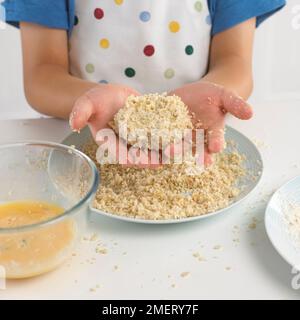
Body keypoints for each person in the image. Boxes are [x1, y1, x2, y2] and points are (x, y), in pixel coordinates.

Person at [2, 0, 286, 165]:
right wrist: (93, 100)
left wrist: (211, 98)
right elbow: (43, 75)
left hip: (195, 144)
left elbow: (234, 62)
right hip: (86, 148)